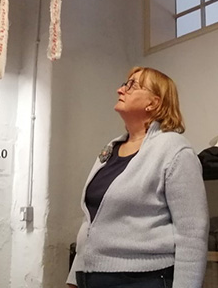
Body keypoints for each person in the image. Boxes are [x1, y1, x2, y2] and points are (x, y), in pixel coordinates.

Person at [66, 67, 209, 288]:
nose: (120, 89)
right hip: (91, 277)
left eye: (131, 85)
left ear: (153, 102)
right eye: (125, 84)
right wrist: (74, 277)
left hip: (143, 279)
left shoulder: (174, 150)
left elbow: (192, 233)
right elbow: (92, 221)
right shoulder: (111, 149)